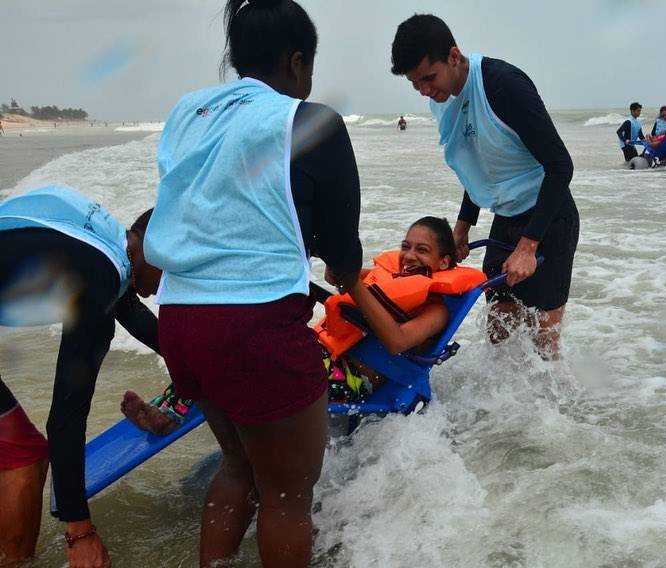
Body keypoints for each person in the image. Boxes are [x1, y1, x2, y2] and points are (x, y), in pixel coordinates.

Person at [142, 1, 362, 566]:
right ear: (296, 62)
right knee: (287, 494)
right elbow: (343, 252)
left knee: (238, 466)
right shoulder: (311, 120)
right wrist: (341, 270)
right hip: (254, 327)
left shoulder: (189, 113)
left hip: (182, 318)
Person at [128, 217, 475, 425]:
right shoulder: (392, 278)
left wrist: (352, 282)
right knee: (235, 344)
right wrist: (338, 267)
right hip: (323, 357)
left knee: (249, 356)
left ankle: (169, 416)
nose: (410, 255)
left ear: (444, 263)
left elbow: (398, 341)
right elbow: (343, 281)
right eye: (406, 246)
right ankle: (169, 406)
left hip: (354, 380)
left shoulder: (436, 308)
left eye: (422, 250)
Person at [390, 14, 579, 359]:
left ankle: (555, 412)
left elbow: (560, 166)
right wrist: (461, 229)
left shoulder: (503, 86)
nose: (425, 91)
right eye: (415, 83)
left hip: (550, 221)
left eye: (428, 78)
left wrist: (527, 246)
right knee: (500, 336)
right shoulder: (443, 99)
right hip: (505, 219)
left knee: (544, 347)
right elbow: (476, 167)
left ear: (453, 56)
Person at [0, 184, 163, 568]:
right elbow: (66, 418)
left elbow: (145, 325)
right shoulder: (100, 274)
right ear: (160, 251)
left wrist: (180, 395)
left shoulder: (102, 242)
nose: (163, 292)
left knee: (21, 453)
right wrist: (80, 531)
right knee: (23, 458)